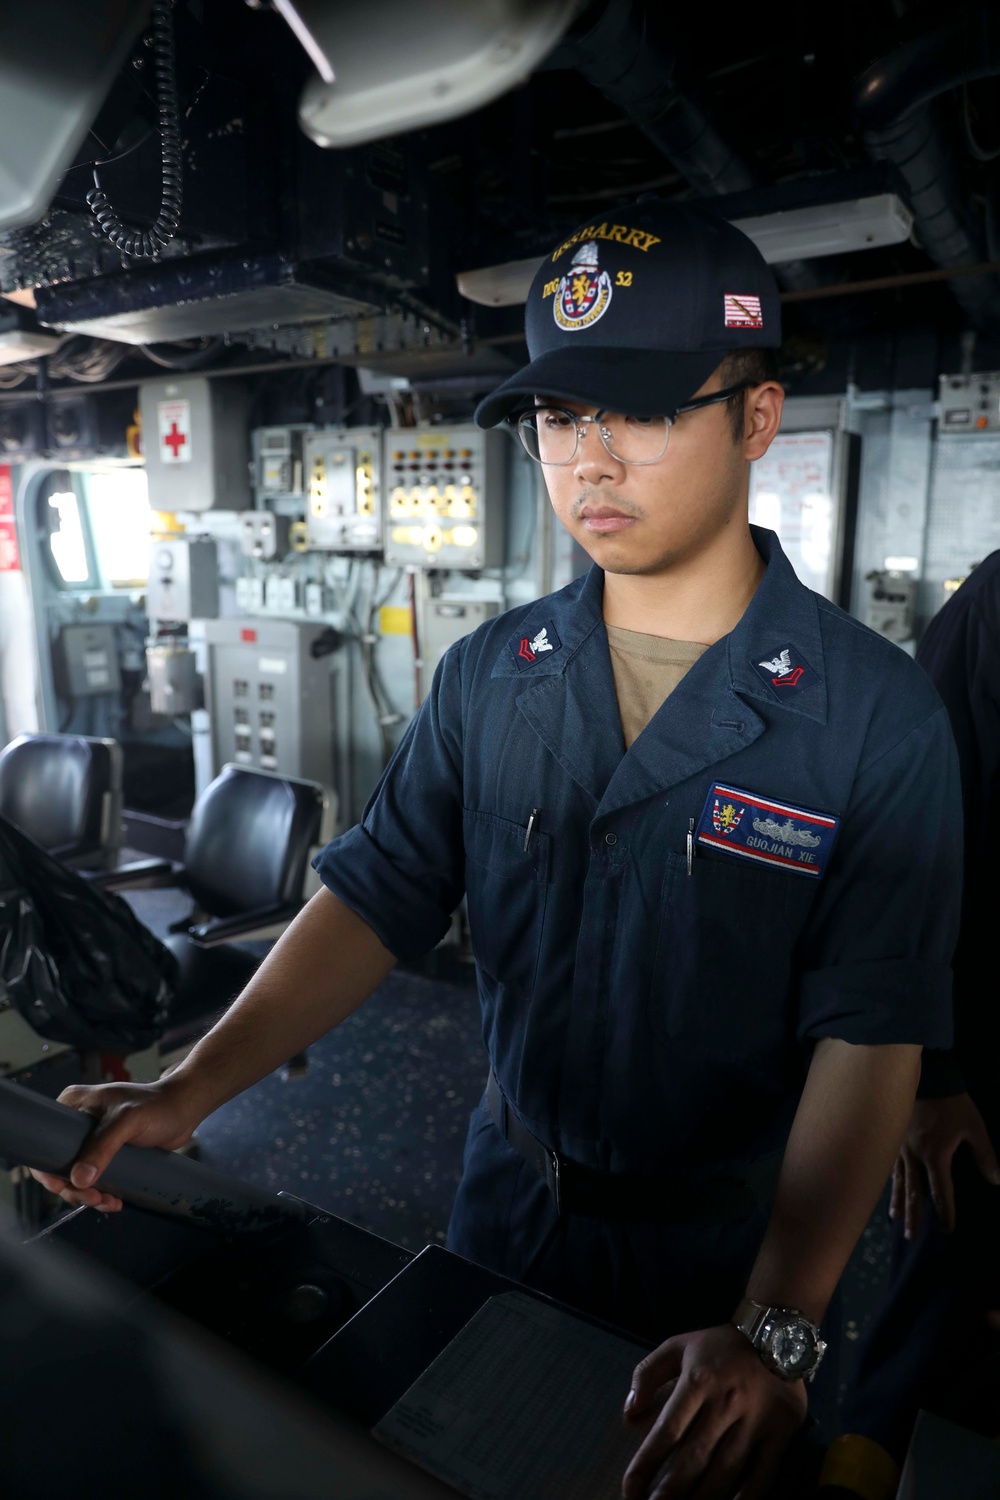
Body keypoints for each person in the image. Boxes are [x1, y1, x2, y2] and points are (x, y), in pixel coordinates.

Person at [31, 203, 961, 1499]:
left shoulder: (872, 717)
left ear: (756, 416)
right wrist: (193, 1085)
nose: (589, 462)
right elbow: (375, 896)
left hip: (718, 1255)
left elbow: (871, 1035)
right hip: (500, 1199)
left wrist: (779, 1326)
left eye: (640, 412)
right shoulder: (492, 676)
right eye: (562, 417)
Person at [845, 552, 1000, 1458]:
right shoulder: (990, 612)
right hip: (978, 1087)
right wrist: (928, 1074)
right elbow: (908, 855)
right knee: (935, 1348)